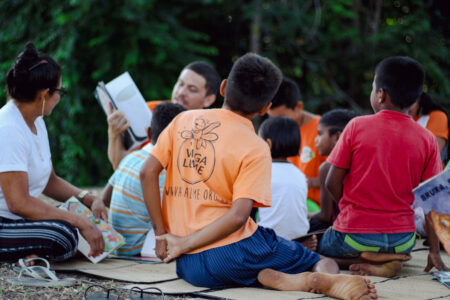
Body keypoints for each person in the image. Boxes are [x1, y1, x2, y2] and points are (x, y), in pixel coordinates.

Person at [140, 53, 377, 300]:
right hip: (230, 254)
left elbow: (147, 172)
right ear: (266, 107)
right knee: (317, 259)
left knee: (259, 256)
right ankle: (317, 277)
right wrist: (185, 244)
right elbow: (239, 216)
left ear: (223, 87)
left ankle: (265, 275)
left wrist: (163, 237)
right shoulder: (255, 146)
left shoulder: (183, 120)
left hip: (188, 267)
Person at [318, 56, 448, 278]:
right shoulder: (427, 139)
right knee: (390, 245)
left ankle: (363, 258)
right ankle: (387, 260)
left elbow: (331, 181)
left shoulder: (356, 126)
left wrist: (350, 209)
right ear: (415, 97)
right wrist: (435, 251)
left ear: (381, 94)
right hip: (402, 240)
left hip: (354, 235)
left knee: (316, 250)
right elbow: (432, 202)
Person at [0, 43, 106, 263]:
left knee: (88, 224)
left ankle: (36, 253)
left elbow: (49, 180)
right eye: (60, 91)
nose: (60, 98)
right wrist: (79, 222)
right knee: (64, 235)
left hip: (19, 220)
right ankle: (35, 252)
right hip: (5, 221)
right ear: (45, 94)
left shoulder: (37, 121)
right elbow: (18, 203)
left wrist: (87, 199)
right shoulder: (8, 128)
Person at [101, 102, 185, 255]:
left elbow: (106, 198)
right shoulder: (164, 171)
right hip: (138, 248)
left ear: (148, 133)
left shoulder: (131, 157)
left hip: (118, 245)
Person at [107, 62, 221, 169]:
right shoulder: (149, 111)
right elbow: (120, 166)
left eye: (192, 89)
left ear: (208, 100)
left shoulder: (211, 134)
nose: (181, 92)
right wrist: (114, 133)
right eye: (180, 83)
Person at [267, 77, 327, 210]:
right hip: (285, 203)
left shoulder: (323, 131)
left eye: (281, 117)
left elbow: (337, 177)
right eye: (272, 119)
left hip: (315, 209)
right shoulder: (277, 131)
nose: (277, 123)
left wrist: (309, 182)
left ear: (298, 107)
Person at [257, 116, 309, 240]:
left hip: (269, 239)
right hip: (300, 237)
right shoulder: (300, 175)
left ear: (268, 144)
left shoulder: (261, 172)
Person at [309, 109, 356, 232]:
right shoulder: (362, 163)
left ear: (337, 137)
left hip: (343, 230)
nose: (316, 140)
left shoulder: (326, 168)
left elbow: (326, 216)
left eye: (320, 134)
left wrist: (307, 215)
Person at [408, 92, 449, 165]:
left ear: (419, 100)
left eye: (411, 101)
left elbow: (432, 158)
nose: (406, 106)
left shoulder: (437, 117)